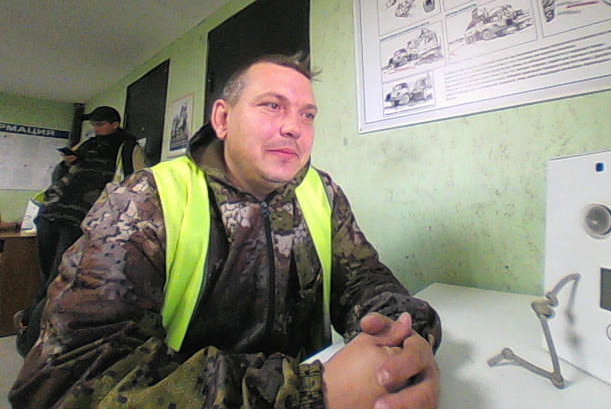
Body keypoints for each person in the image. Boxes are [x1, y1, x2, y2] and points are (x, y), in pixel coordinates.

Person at [9, 54, 442, 409]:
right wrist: (310, 394)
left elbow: (365, 279)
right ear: (222, 119)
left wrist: (403, 342)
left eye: (307, 114)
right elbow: (67, 382)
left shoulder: (321, 191)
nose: (294, 126)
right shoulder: (145, 199)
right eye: (272, 106)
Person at [14, 106, 146, 356]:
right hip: (52, 212)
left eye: (100, 124)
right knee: (48, 274)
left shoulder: (127, 147)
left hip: (82, 217)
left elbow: (136, 180)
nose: (96, 129)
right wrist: (67, 163)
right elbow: (60, 175)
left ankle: (33, 336)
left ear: (115, 124)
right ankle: (31, 326)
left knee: (60, 277)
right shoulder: (85, 145)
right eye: (93, 124)